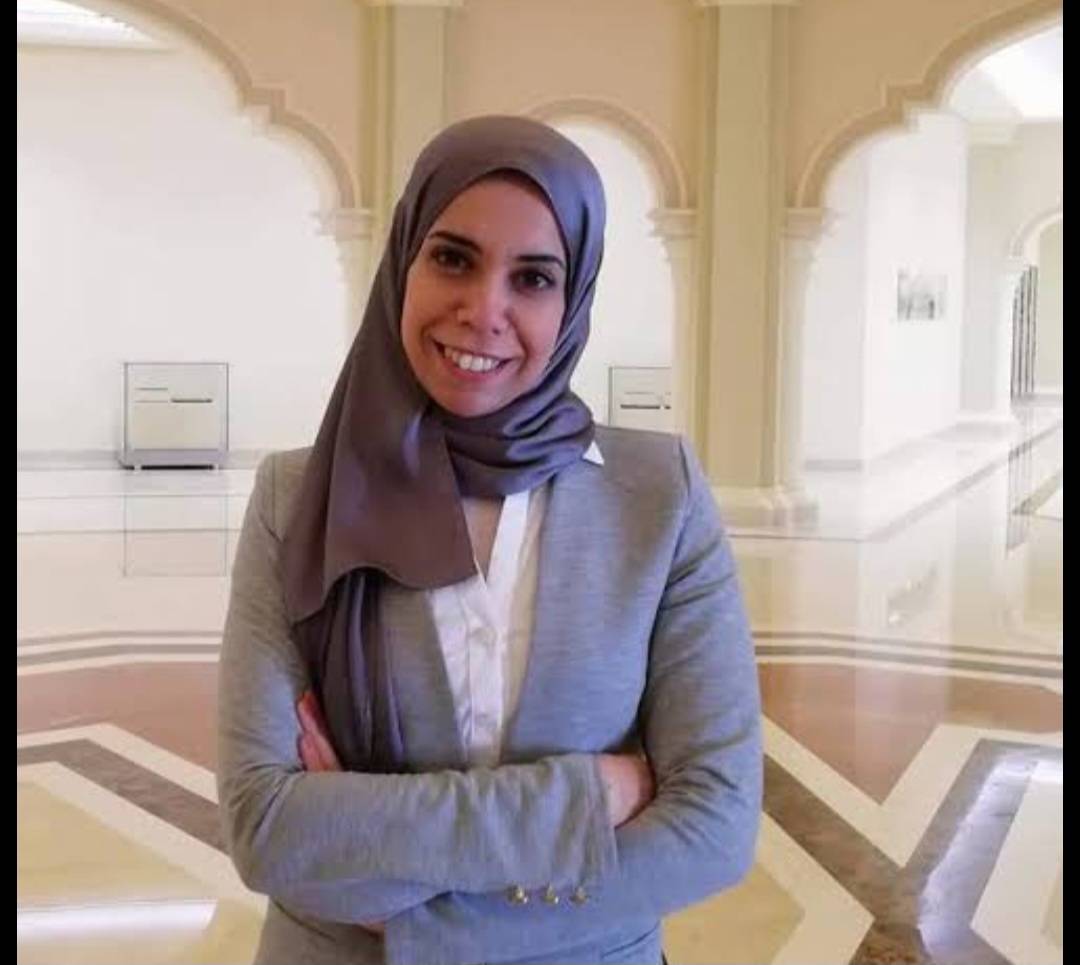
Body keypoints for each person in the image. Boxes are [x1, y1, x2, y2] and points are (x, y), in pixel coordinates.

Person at [217, 115, 762, 965]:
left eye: (534, 277)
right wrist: (584, 799)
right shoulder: (297, 500)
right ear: (404, 260)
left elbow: (714, 828)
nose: (484, 311)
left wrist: (422, 917)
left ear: (574, 298)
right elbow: (269, 827)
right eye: (453, 258)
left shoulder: (660, 497)